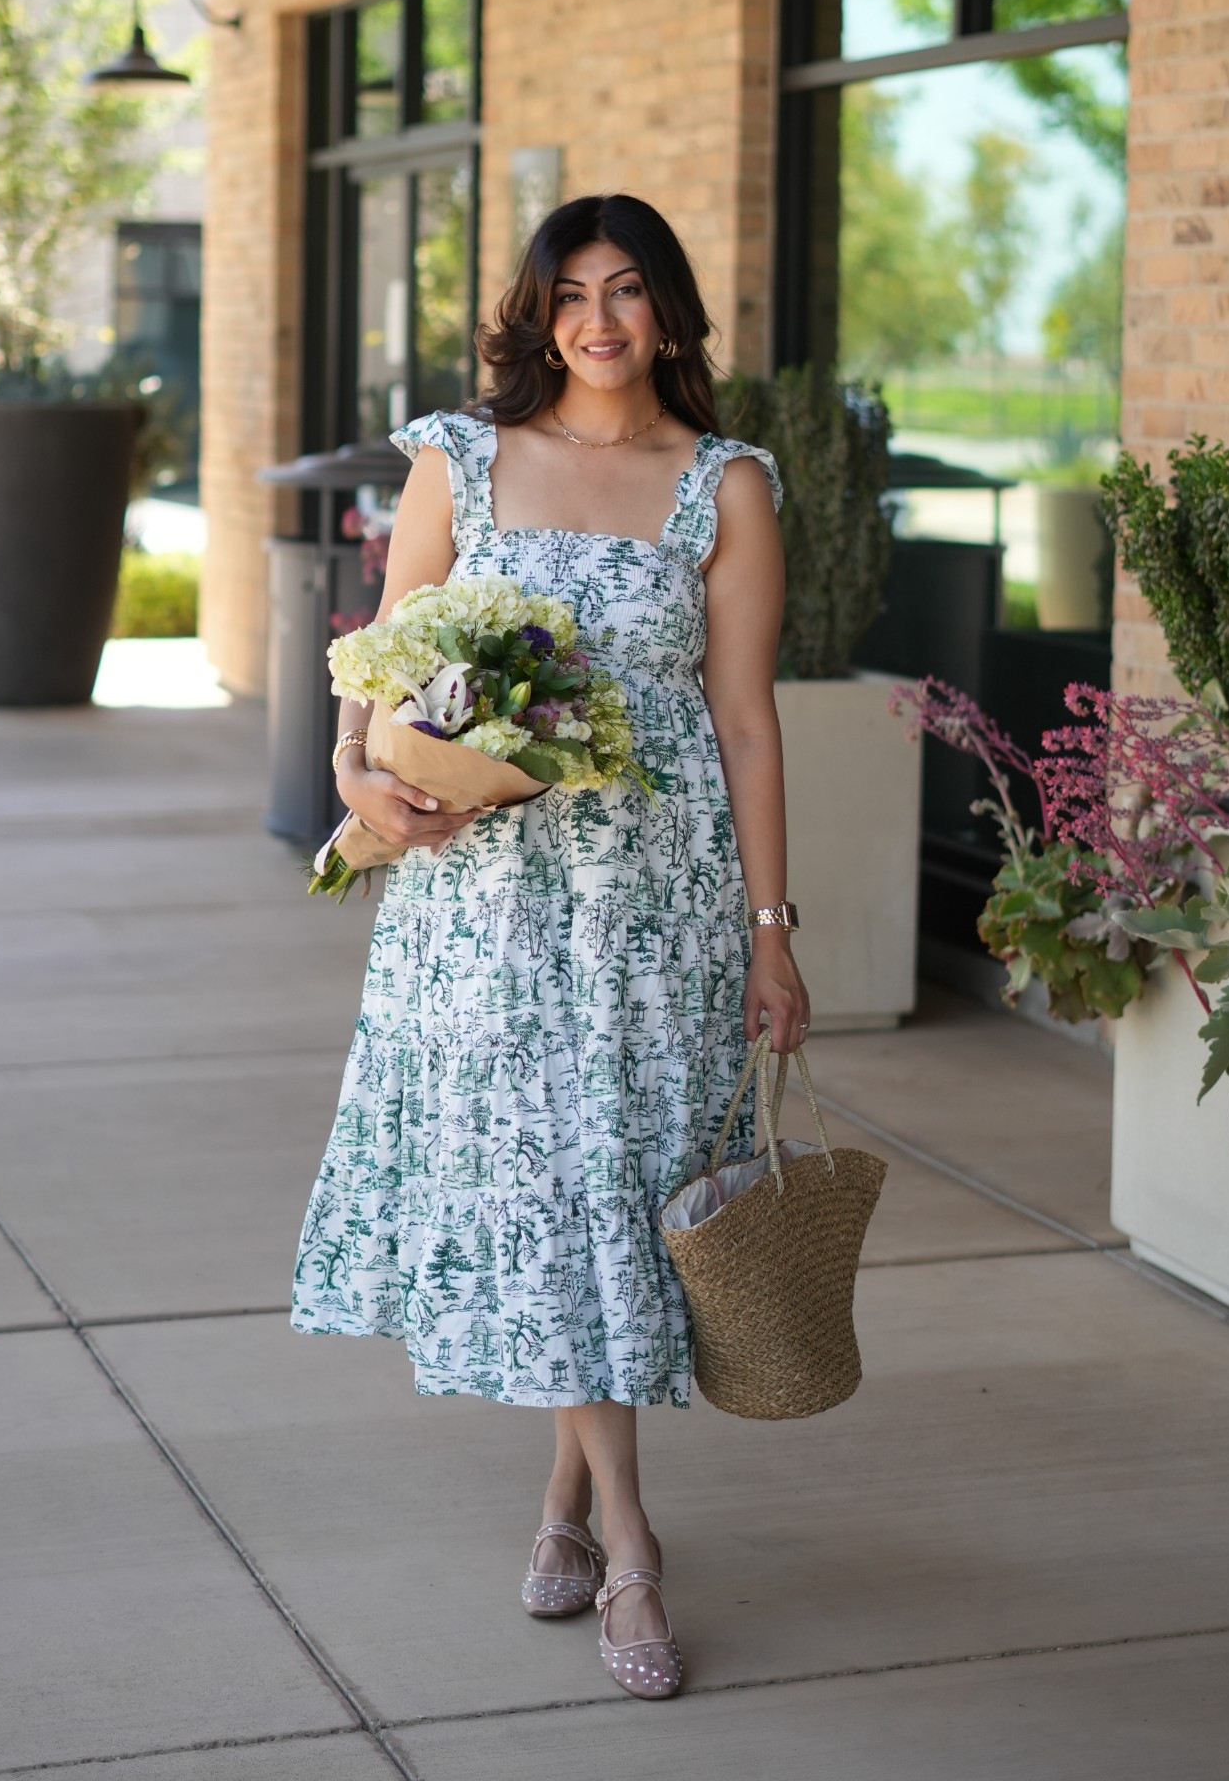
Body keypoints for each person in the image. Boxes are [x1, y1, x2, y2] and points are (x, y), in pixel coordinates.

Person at [292, 193, 809, 1700]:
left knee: (612, 1194)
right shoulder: (459, 455)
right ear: (537, 312)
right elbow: (382, 660)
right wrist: (358, 776)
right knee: (552, 1193)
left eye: (628, 290)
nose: (598, 320)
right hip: (485, 906)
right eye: (571, 292)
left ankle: (571, 1508)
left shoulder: (725, 485)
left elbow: (745, 725)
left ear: (669, 314)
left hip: (656, 910)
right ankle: (631, 1545)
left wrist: (770, 939)